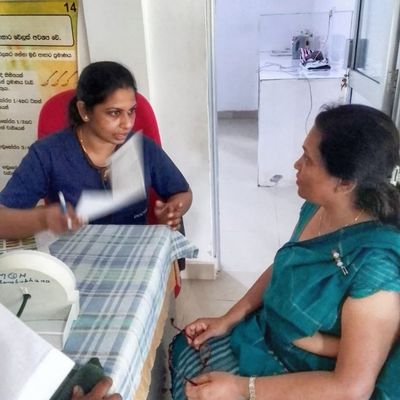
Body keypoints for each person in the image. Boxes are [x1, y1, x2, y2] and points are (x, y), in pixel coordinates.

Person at [170, 104, 400, 400]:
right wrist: (227, 319)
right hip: (266, 336)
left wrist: (241, 387)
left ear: (344, 183)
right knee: (189, 349)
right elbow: (285, 265)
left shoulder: (377, 268)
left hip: (306, 377)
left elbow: (351, 388)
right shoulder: (319, 206)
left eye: (308, 160)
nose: (296, 164)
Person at [0, 61, 192, 239]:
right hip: (75, 254)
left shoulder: (142, 147)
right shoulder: (47, 154)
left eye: (131, 111)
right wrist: (42, 219)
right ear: (84, 111)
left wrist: (173, 210)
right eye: (114, 113)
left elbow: (183, 193)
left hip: (135, 249)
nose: (127, 123)